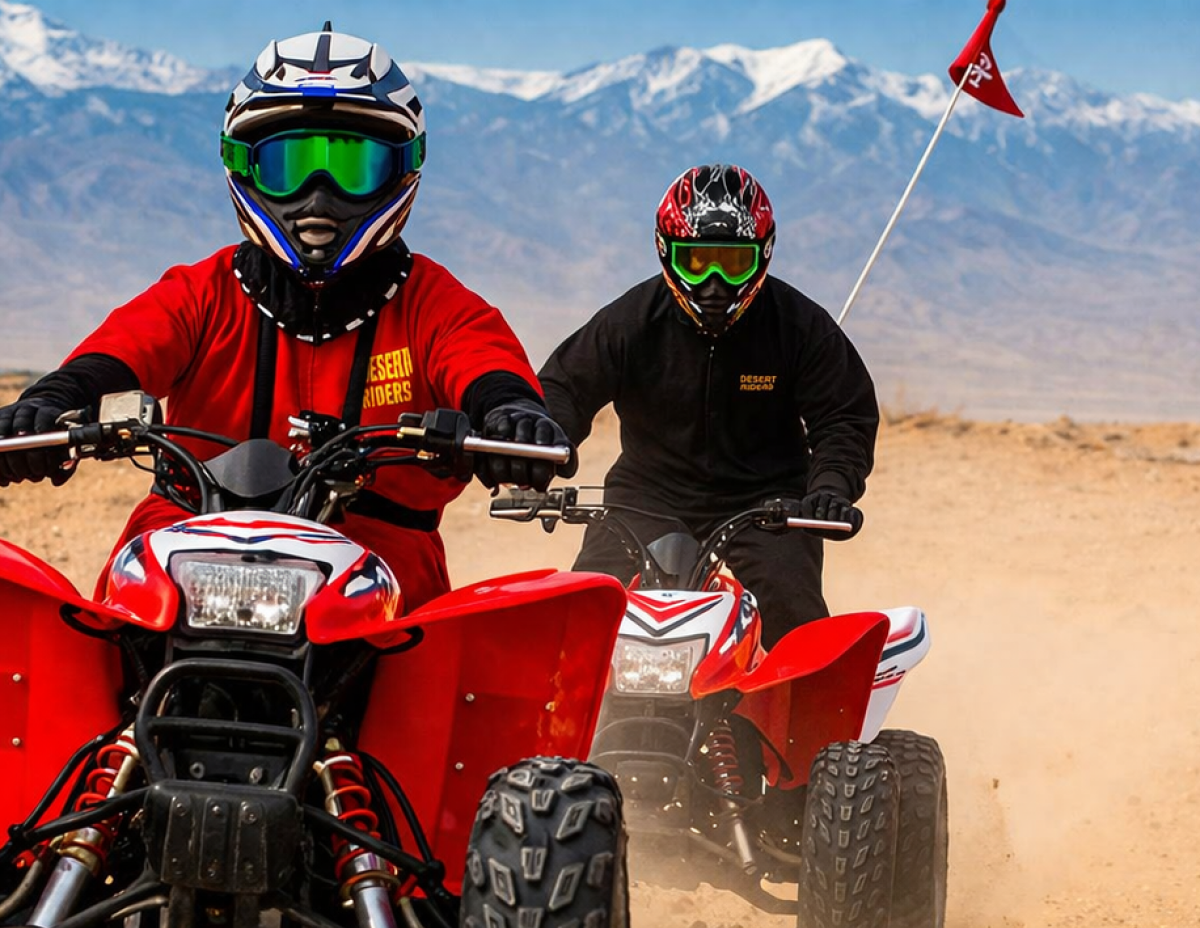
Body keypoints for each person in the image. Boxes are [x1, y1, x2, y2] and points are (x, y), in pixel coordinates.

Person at [0, 25, 573, 612]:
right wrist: (48, 401)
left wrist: (513, 414)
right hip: (184, 536)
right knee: (74, 647)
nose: (317, 195)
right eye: (288, 165)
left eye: (351, 166)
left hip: (383, 560)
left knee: (465, 660)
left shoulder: (436, 305)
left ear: (402, 170)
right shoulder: (200, 293)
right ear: (242, 165)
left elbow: (486, 365)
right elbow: (119, 351)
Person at [539, 163, 878, 648]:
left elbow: (843, 417)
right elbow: (564, 389)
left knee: (797, 622)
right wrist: (542, 440)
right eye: (697, 262)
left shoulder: (800, 326)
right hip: (646, 494)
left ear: (763, 255)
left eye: (733, 262)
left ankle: (810, 701)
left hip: (768, 501)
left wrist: (830, 486)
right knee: (581, 616)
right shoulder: (631, 321)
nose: (715, 284)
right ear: (666, 252)